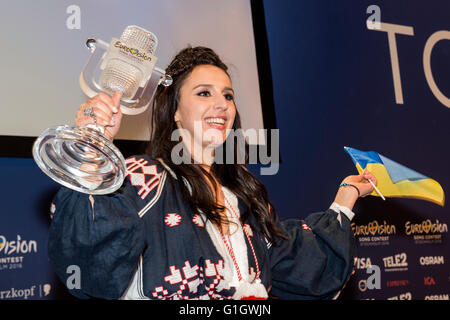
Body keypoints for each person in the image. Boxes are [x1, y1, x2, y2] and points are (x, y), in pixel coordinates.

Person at [48, 46, 377, 300]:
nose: (222, 105)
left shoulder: (241, 197)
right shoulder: (142, 179)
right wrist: (92, 144)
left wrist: (347, 194)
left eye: (228, 95)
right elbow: (90, 257)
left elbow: (303, 266)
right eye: (204, 93)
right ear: (174, 110)